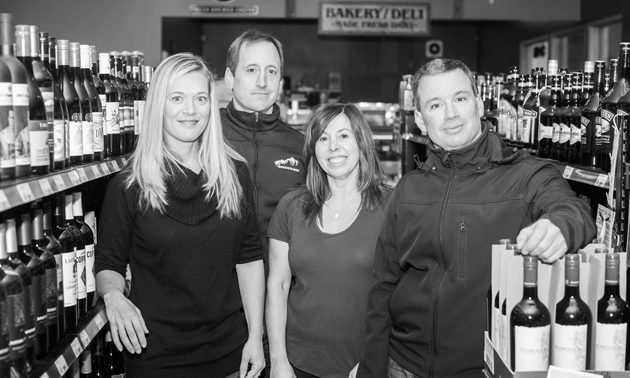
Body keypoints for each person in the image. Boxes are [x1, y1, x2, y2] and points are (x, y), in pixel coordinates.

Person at [352, 58, 597, 378]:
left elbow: (573, 210)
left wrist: (560, 226)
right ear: (421, 121)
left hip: (482, 369)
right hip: (404, 365)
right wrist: (372, 370)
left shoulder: (525, 175)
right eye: (436, 104)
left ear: (479, 104)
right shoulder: (408, 189)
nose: (451, 113)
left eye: (460, 98)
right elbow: (383, 288)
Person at [95, 53, 265, 378]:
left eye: (200, 98)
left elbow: (249, 258)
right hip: (155, 357)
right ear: (159, 104)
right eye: (177, 98)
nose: (190, 110)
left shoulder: (236, 176)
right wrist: (114, 296)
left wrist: (256, 336)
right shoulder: (129, 185)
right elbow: (109, 263)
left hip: (228, 355)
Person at [266, 103, 391, 378]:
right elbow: (278, 284)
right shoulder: (291, 206)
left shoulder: (391, 206)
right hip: (297, 364)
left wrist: (374, 358)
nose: (333, 146)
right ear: (314, 150)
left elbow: (401, 294)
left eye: (344, 136)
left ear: (362, 142)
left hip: (362, 365)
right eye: (323, 138)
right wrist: (278, 360)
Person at [221, 30, 307, 269]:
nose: (262, 81)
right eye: (251, 70)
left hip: (282, 290)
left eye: (271, 71)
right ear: (230, 77)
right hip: (215, 295)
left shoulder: (300, 146)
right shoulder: (207, 136)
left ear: (280, 82)